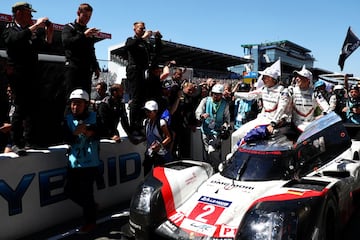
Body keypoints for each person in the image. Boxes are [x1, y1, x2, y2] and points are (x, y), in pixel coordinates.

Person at [2, 2, 54, 155]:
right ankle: (16, 142)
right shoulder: (10, 29)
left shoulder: (30, 32)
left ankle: (32, 140)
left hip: (33, 75)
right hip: (18, 76)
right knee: (20, 108)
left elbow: (44, 47)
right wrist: (35, 26)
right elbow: (14, 40)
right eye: (28, 13)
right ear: (18, 13)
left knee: (34, 108)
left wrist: (49, 33)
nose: (31, 16)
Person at [62, 89, 101, 233]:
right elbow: (66, 138)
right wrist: (74, 133)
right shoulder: (67, 119)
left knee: (87, 192)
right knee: (68, 191)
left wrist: (90, 131)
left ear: (85, 104)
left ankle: (90, 221)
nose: (75, 107)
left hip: (90, 163)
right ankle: (91, 207)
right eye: (73, 104)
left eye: (78, 104)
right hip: (74, 161)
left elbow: (103, 131)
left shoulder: (95, 117)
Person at [230, 66, 290, 149]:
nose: (262, 79)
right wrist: (234, 94)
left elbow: (281, 109)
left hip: (272, 122)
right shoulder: (264, 89)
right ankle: (232, 158)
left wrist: (273, 123)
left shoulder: (283, 91)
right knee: (235, 135)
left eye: (265, 77)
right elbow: (249, 95)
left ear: (272, 78)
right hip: (261, 119)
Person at [125, 21, 162, 136]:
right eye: (141, 29)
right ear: (135, 29)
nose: (143, 31)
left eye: (144, 29)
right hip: (134, 72)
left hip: (144, 72)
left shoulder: (146, 44)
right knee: (136, 100)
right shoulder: (131, 40)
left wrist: (158, 39)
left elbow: (157, 52)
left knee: (143, 99)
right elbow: (129, 47)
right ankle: (133, 126)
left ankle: (140, 123)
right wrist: (143, 38)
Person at [62, 3, 101, 100]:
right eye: (85, 15)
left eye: (89, 17)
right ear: (78, 13)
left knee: (85, 97)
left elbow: (91, 50)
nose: (87, 19)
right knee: (71, 97)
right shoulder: (69, 27)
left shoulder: (89, 31)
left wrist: (96, 66)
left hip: (86, 70)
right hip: (73, 68)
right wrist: (84, 35)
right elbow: (66, 43)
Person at [195, 83, 230, 171]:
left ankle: (220, 168)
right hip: (206, 130)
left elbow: (227, 118)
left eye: (218, 95)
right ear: (211, 93)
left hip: (217, 132)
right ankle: (210, 169)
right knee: (207, 152)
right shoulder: (205, 101)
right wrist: (202, 115)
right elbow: (198, 112)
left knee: (212, 151)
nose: (216, 97)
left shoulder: (225, 104)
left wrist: (225, 124)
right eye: (214, 94)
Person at [288, 66, 330, 134]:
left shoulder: (315, 93)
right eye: (297, 77)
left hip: (311, 125)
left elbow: (327, 107)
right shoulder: (291, 90)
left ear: (308, 80)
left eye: (300, 77)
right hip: (293, 126)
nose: (297, 79)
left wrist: (323, 115)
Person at [143, 100, 172, 176]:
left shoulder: (161, 123)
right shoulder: (146, 122)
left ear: (155, 112)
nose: (147, 113)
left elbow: (169, 138)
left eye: (149, 111)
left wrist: (159, 146)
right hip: (149, 154)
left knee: (160, 177)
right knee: (147, 176)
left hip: (161, 156)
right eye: (146, 111)